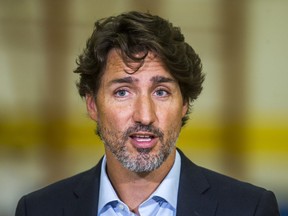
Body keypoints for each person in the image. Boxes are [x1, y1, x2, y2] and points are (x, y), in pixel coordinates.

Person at [15, 11, 280, 216]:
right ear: (92, 105)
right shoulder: (39, 209)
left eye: (161, 92)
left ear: (185, 103)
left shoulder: (249, 208)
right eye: (123, 92)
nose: (144, 115)